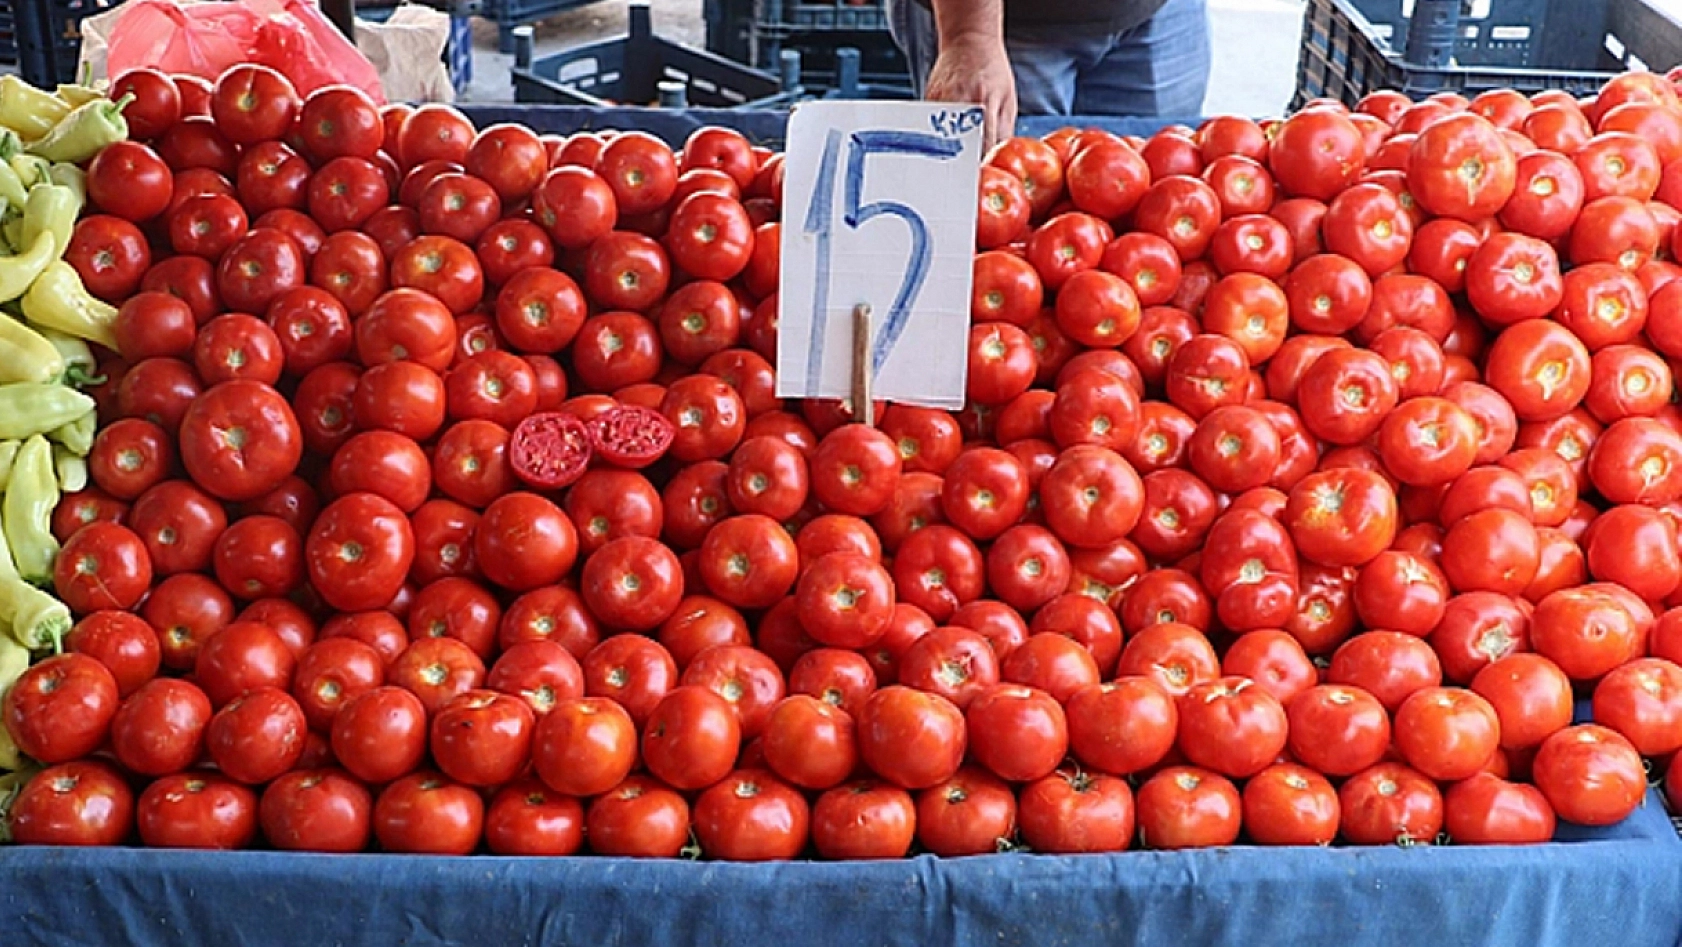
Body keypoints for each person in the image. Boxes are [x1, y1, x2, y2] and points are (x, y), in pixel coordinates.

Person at [886, 0, 1212, 147]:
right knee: (1001, 224)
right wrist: (970, 35)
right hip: (1000, 27)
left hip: (1159, 13)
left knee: (1161, 187)